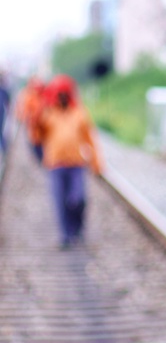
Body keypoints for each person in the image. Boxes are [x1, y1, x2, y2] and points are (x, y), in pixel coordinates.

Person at [35, 75, 103, 247]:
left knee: (77, 199)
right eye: (59, 94)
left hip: (76, 164)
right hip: (55, 165)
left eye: (65, 93)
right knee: (60, 202)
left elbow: (90, 138)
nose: (62, 97)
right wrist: (37, 116)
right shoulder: (47, 113)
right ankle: (65, 235)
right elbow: (36, 136)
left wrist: (96, 162)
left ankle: (78, 227)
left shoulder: (79, 112)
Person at [17, 76, 47, 164]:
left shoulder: (44, 95)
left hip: (44, 126)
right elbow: (25, 111)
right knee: (36, 144)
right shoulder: (28, 96)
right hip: (34, 126)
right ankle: (40, 160)